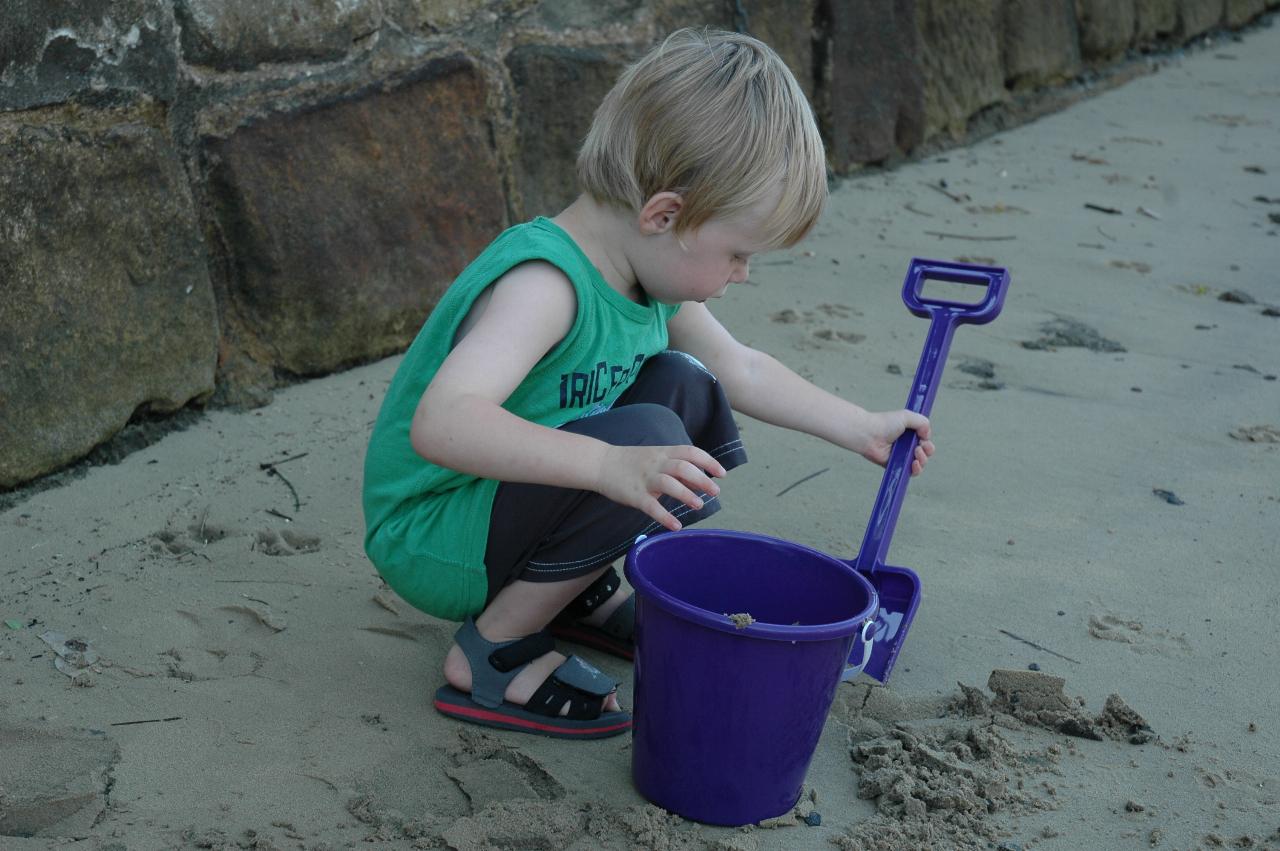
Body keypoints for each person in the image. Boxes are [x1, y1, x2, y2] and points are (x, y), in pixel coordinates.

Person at [362, 27, 933, 739]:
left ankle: (570, 591)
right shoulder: (546, 284)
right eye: (738, 253)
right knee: (645, 443)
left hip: (496, 512)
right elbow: (443, 422)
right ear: (664, 214)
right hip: (434, 533)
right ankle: (493, 651)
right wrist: (609, 465)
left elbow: (741, 368)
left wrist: (859, 425)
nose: (742, 274)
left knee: (685, 389)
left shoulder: (644, 272)